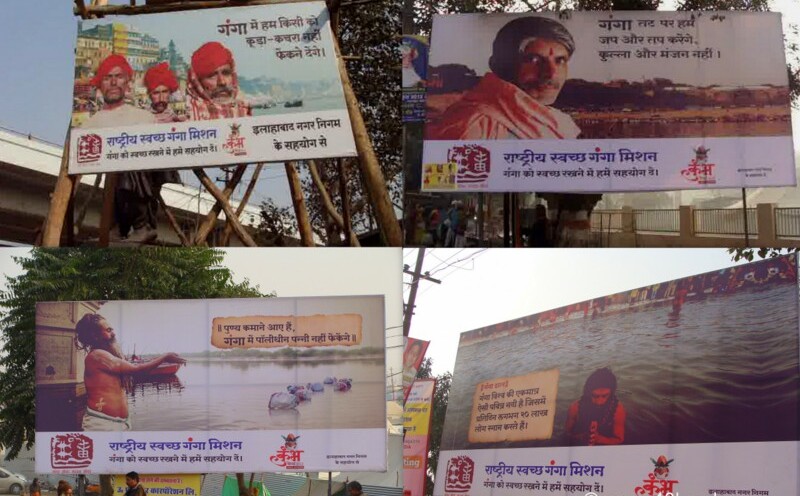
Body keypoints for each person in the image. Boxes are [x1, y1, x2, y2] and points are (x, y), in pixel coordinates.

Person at [428, 16, 580, 140]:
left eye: (560, 61)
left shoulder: (559, 122)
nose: (551, 73)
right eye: (534, 59)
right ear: (503, 65)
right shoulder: (474, 126)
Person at [75, 313, 185, 431]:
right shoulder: (96, 355)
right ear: (94, 335)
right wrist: (165, 357)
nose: (113, 333)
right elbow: (136, 370)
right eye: (108, 330)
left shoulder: (104, 355)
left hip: (118, 423)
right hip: (102, 424)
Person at [82, 54, 157, 129]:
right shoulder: (88, 128)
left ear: (126, 82)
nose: (113, 82)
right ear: (99, 84)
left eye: (119, 77)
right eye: (107, 78)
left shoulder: (146, 119)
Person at [186, 41, 251, 120]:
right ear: (197, 82)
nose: (222, 82)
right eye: (212, 76)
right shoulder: (186, 116)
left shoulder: (243, 110)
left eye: (226, 73)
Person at [565, 367, 625, 446]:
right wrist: (581, 437)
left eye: (604, 396)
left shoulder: (618, 410)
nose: (599, 402)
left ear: (611, 394)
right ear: (588, 392)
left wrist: (599, 439)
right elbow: (567, 433)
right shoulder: (574, 408)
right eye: (594, 396)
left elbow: (619, 439)